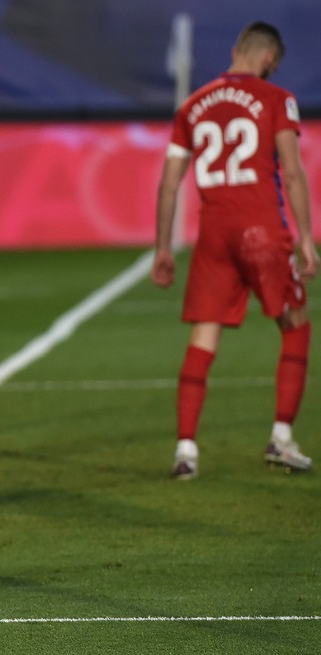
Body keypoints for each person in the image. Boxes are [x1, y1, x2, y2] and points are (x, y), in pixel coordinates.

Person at [151, 21, 317, 480]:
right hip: (261, 231)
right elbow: (292, 171)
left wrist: (163, 247)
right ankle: (281, 438)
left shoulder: (192, 105)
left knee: (203, 339)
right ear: (267, 58)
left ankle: (186, 451)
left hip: (214, 234)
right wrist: (305, 237)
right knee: (296, 327)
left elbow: (169, 183)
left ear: (235, 50)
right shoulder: (276, 99)